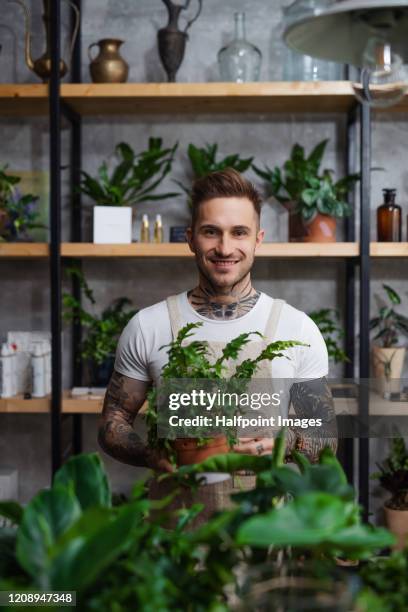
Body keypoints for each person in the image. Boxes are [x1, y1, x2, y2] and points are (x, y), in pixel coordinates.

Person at [98, 169, 337, 473]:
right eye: (211, 231)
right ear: (190, 239)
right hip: (179, 514)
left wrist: (284, 440)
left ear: (257, 240)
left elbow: (325, 436)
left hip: (270, 515)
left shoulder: (298, 328)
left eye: (239, 232)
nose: (225, 248)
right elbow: (113, 421)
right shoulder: (149, 325)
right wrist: (152, 456)